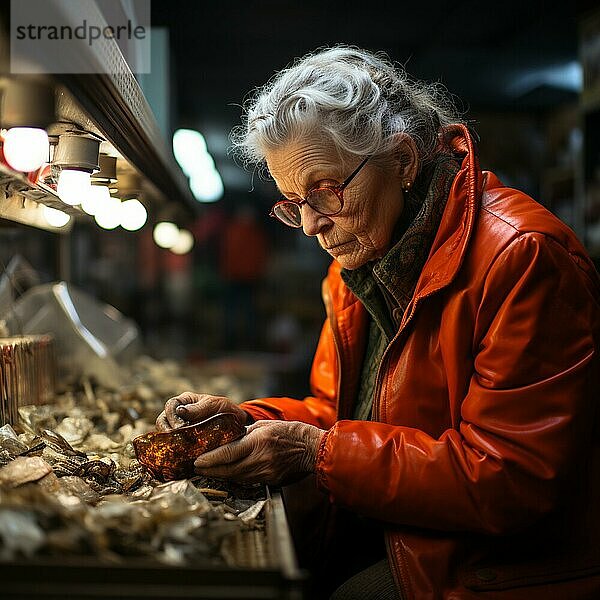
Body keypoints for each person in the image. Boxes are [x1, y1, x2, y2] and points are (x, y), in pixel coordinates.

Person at [156, 46, 600, 599]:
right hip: (401, 531)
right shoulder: (355, 268)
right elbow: (333, 412)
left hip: (497, 565)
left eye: (326, 192)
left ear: (404, 161)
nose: (312, 226)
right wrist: (244, 421)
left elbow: (508, 479)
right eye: (294, 202)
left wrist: (314, 454)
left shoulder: (523, 257)